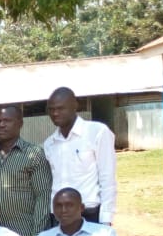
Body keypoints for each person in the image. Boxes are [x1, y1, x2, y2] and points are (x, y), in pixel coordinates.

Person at [0, 106, 52, 236]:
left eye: (7, 120)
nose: (1, 125)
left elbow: (43, 197)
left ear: (20, 123)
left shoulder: (34, 154)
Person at [43, 87, 117, 225]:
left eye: (60, 108)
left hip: (88, 214)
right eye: (51, 109)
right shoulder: (49, 144)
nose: (55, 113)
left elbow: (107, 178)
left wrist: (106, 219)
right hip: (58, 217)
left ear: (75, 106)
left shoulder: (97, 132)